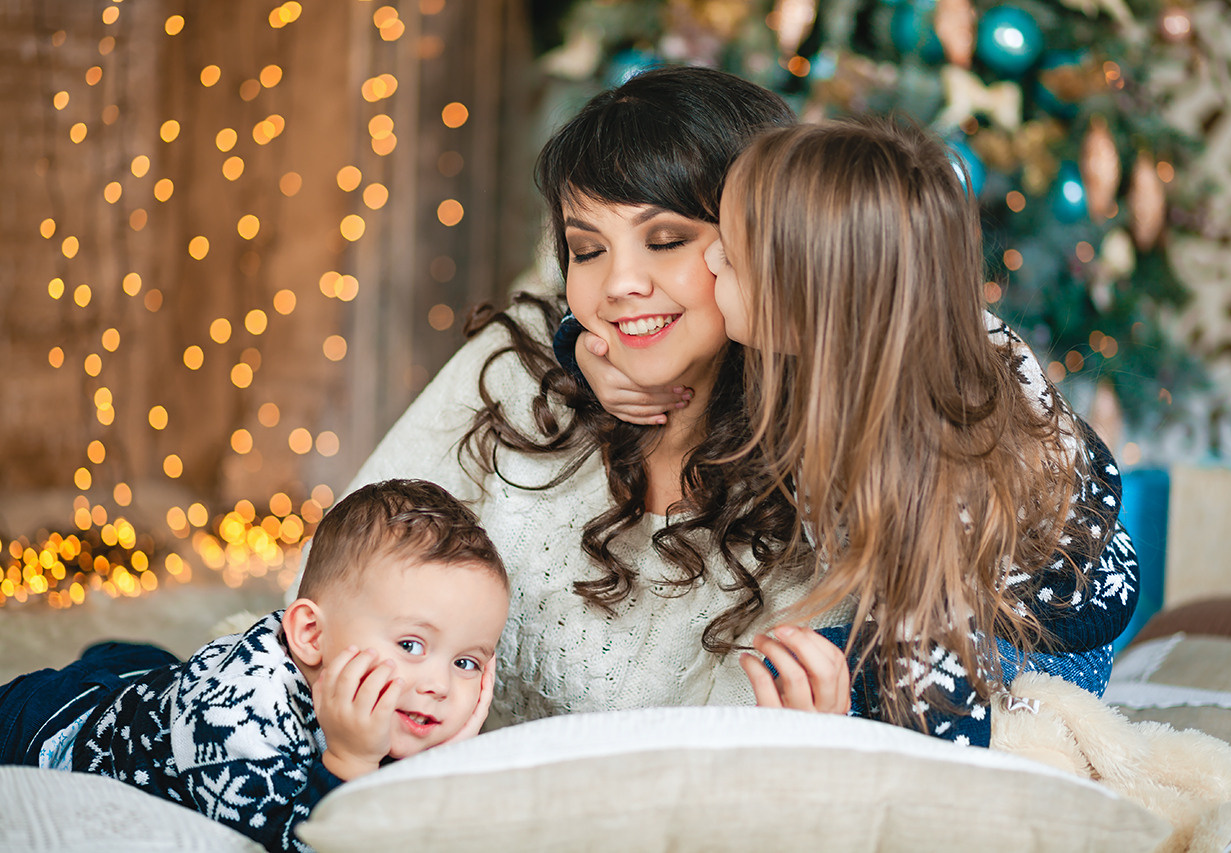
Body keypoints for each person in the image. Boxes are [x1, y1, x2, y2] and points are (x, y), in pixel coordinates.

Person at [300, 66, 858, 734]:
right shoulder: (526, 363)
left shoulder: (828, 471)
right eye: (588, 249)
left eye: (668, 240)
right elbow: (327, 598)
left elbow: (950, 332)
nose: (619, 282)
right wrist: (571, 341)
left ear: (769, 243)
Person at [567, 116, 1139, 744]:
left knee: (814, 667)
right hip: (997, 595)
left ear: (799, 297)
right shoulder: (898, 316)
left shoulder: (899, 460)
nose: (708, 260)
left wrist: (852, 741)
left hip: (1038, 647)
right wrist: (584, 348)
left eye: (727, 254)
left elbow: (936, 664)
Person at [0, 479, 509, 853]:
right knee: (114, 682)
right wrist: (350, 765)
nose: (440, 685)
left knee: (149, 666)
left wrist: (444, 761)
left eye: (466, 662)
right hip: (55, 723)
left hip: (161, 690)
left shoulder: (390, 699)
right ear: (311, 635)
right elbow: (296, 840)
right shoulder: (240, 718)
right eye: (413, 646)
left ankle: (121, 659)